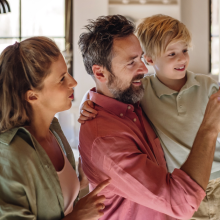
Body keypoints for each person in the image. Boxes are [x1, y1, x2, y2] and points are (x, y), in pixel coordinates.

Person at [77, 15, 220, 220]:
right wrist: (209, 129)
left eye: (141, 58)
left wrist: (88, 100)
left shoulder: (131, 99)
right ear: (100, 73)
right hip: (188, 197)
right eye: (131, 62)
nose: (144, 69)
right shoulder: (108, 137)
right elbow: (181, 202)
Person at [0, 37, 110, 220]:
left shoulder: (54, 132)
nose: (73, 82)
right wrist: (78, 216)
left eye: (67, 73)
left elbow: (54, 198)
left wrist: (79, 180)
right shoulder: (10, 155)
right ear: (32, 96)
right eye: (61, 79)